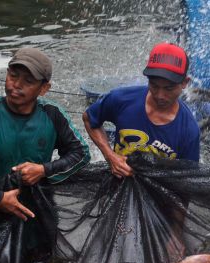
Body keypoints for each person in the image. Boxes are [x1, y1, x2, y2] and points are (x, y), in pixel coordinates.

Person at [0, 47, 91, 221]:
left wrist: (43, 170)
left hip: (38, 211)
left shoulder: (53, 114)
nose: (17, 85)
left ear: (44, 88)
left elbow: (81, 153)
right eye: (13, 76)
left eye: (28, 81)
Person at [83, 42, 200, 178]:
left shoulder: (188, 130)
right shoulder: (121, 99)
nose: (160, 95)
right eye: (154, 86)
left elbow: (189, 180)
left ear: (185, 83)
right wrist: (110, 156)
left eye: (169, 88)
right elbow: (88, 118)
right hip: (119, 182)